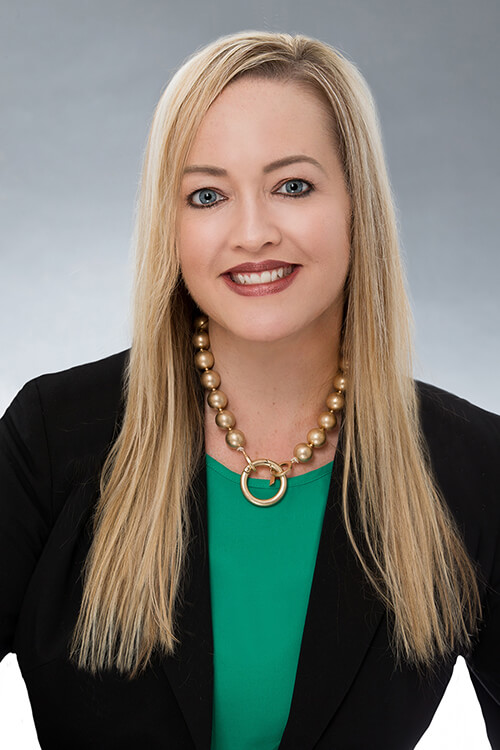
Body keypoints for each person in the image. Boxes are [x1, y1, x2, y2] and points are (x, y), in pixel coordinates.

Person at [0, 30, 499, 750]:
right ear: (170, 227)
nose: (252, 231)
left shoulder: (475, 467)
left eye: (292, 186)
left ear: (358, 204)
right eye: (207, 195)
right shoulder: (50, 438)